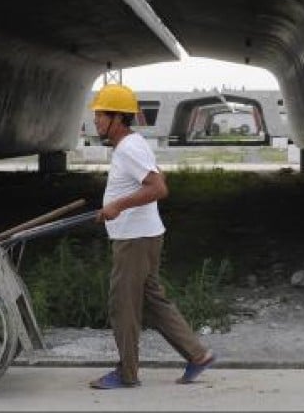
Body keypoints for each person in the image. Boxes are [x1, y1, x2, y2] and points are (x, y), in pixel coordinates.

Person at [88, 83, 216, 389]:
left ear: (116, 118)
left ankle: (126, 373)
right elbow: (157, 175)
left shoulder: (129, 147)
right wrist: (112, 207)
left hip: (135, 240)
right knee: (153, 303)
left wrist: (117, 205)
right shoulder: (132, 145)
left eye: (100, 115)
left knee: (123, 306)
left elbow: (159, 188)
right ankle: (198, 355)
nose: (95, 121)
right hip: (142, 236)